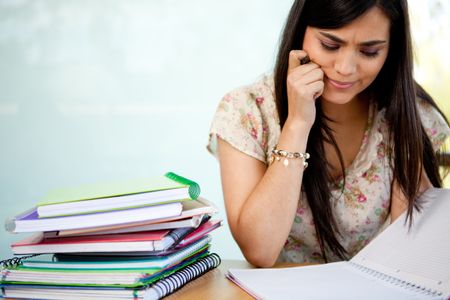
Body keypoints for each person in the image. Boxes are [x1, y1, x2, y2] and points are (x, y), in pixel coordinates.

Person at [207, 0, 450, 267]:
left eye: (369, 51)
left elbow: (411, 254)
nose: (345, 68)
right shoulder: (246, 111)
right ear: (301, 31)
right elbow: (260, 250)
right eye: (330, 45)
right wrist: (298, 123)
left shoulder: (407, 115)